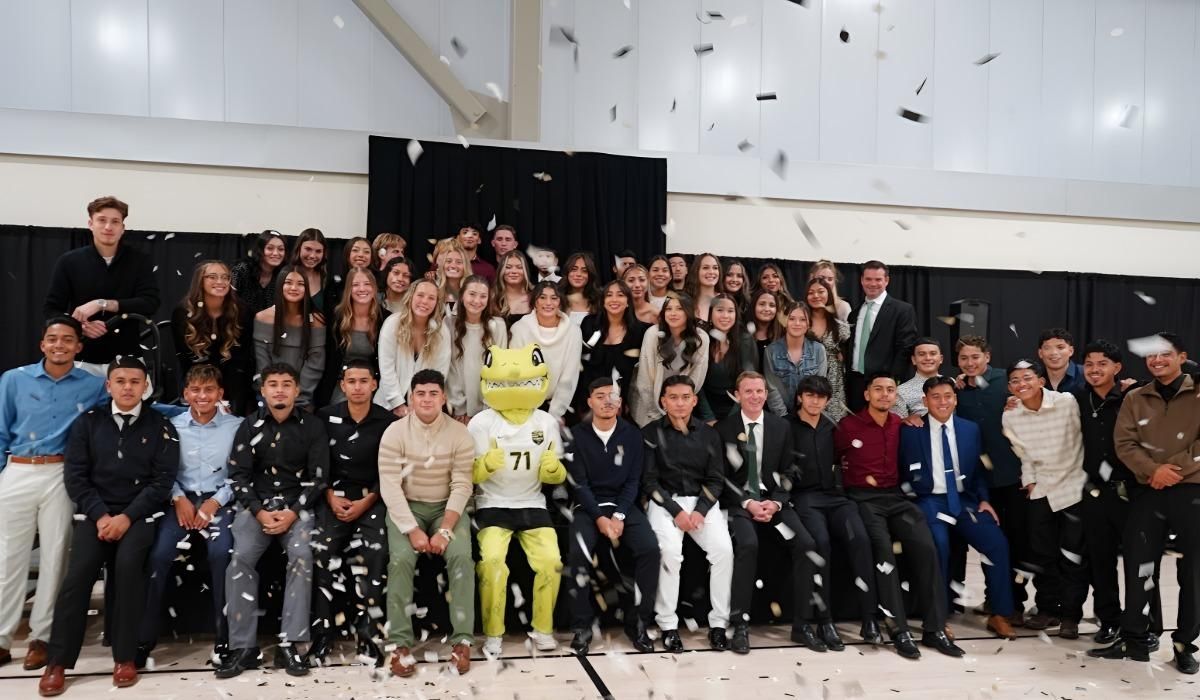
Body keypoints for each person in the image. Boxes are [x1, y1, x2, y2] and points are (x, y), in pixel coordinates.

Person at [38, 357, 179, 696]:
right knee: (79, 574)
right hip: (95, 515)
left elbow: (162, 482)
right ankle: (57, 661)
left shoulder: (161, 425)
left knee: (130, 568)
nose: (128, 387)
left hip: (138, 515)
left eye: (135, 381)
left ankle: (125, 657)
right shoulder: (87, 423)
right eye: (121, 381)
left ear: (145, 386)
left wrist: (126, 517)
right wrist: (101, 515)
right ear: (109, 385)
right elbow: (76, 476)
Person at [1089, 332, 1200, 673]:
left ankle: (1184, 644)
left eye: (1165, 354)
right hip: (1148, 490)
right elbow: (1124, 443)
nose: (1157, 360)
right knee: (1140, 567)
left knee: (1192, 572)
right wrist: (1153, 471)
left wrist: (1174, 470)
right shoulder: (1136, 397)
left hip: (1191, 491)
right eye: (1151, 356)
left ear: (1181, 357)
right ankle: (1134, 640)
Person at [0, 317, 106, 672]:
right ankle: (1, 637)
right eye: (52, 339)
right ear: (42, 344)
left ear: (79, 346)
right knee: (7, 558)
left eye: (67, 340)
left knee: (55, 557)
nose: (59, 345)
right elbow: (0, 429)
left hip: (61, 474)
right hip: (16, 469)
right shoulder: (14, 380)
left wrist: (189, 412)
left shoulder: (93, 385)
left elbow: (130, 404)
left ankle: (41, 638)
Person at [836, 372, 962, 660]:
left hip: (896, 496)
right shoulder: (848, 426)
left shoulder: (902, 425)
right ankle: (899, 629)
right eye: (877, 389)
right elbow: (834, 462)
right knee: (884, 553)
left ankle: (934, 628)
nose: (884, 394)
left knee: (926, 547)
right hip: (863, 499)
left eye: (890, 390)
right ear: (867, 394)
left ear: (896, 396)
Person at [217, 362, 327, 679]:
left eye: (286, 384)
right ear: (263, 390)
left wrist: (292, 512)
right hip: (256, 508)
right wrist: (260, 511)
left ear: (296, 390)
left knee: (302, 556)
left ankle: (291, 644)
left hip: (299, 507)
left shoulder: (312, 426)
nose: (280, 389)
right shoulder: (249, 426)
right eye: (273, 384)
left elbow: (319, 478)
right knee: (239, 559)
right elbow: (238, 477)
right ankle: (243, 648)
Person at [138, 364, 242, 666]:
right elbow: (159, 468)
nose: (202, 395)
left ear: (220, 393)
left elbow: (241, 472)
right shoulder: (171, 426)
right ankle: (144, 637)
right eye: (195, 390)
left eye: (209, 389)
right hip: (180, 502)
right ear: (185, 394)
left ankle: (225, 640)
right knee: (158, 556)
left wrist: (216, 502)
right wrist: (178, 497)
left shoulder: (235, 427)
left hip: (218, 503)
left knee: (222, 554)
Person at [899, 376, 1017, 640]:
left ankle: (999, 613)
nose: (943, 402)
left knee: (996, 543)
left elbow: (977, 470)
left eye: (948, 396)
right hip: (929, 500)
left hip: (965, 501)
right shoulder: (910, 431)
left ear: (955, 398)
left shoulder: (969, 429)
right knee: (938, 546)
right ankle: (938, 617)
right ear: (925, 400)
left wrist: (984, 499)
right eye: (936, 397)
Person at [469, 346, 568, 655]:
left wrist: (554, 472)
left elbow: (557, 472)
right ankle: (493, 634)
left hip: (533, 504)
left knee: (552, 563)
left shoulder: (546, 422)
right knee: (493, 564)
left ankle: (543, 630)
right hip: (492, 505)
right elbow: (467, 475)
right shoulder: (481, 423)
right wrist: (484, 465)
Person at [378, 369, 475, 676]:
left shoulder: (460, 433)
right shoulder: (394, 432)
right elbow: (390, 486)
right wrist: (412, 529)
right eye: (420, 393)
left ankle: (462, 642)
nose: (427, 399)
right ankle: (399, 645)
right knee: (401, 560)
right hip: (407, 508)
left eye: (434, 393)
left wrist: (445, 529)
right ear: (411, 397)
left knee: (461, 557)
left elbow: (462, 485)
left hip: (447, 509)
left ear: (444, 397)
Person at [718, 372, 818, 654]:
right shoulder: (723, 429)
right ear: (737, 395)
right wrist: (748, 503)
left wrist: (775, 502)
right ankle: (739, 625)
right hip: (740, 505)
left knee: (807, 544)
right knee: (748, 544)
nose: (755, 396)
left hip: (773, 503)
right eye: (748, 391)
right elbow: (720, 477)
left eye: (759, 391)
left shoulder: (780, 427)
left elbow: (790, 470)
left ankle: (802, 625)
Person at [307, 360, 397, 666]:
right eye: (351, 381)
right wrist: (330, 497)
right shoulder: (325, 417)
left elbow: (389, 470)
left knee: (376, 553)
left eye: (363, 381)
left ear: (374, 384)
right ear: (342, 386)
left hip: (372, 499)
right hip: (333, 498)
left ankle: (369, 635)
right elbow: (318, 464)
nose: (357, 387)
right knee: (322, 553)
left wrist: (366, 501)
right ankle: (323, 635)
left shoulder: (387, 422)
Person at [1074, 340, 1160, 646]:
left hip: (1132, 492)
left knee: (1141, 562)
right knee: (1101, 561)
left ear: (1117, 368)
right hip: (1094, 491)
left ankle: (1148, 624)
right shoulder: (1078, 397)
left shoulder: (1133, 396)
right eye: (1089, 364)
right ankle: (1109, 620)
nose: (1095, 370)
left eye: (1102, 364)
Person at [565, 379, 658, 655]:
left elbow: (633, 481)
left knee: (650, 550)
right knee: (577, 555)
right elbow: (578, 484)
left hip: (624, 506)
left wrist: (618, 515)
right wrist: (599, 518)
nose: (607, 401)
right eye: (600, 396)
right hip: (588, 507)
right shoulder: (576, 435)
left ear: (621, 403)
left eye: (613, 396)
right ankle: (582, 627)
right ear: (589, 402)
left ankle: (639, 623)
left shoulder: (632, 435)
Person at [642, 375, 733, 652]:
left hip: (701, 502)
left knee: (723, 551)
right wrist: (676, 511)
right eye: (673, 397)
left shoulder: (709, 434)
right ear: (663, 402)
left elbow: (716, 479)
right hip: (665, 502)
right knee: (669, 553)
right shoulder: (650, 433)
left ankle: (719, 623)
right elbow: (649, 482)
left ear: (694, 401)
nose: (679, 403)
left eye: (685, 397)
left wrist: (701, 511)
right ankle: (668, 625)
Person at [789, 375, 880, 651]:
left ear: (828, 400)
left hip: (836, 498)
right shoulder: (786, 427)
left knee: (861, 540)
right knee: (821, 544)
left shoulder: (834, 427)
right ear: (800, 398)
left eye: (820, 397)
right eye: (810, 395)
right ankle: (824, 620)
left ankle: (869, 618)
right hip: (805, 498)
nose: (815, 401)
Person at [1000, 359, 1088, 638]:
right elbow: (1023, 455)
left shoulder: (1066, 402)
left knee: (1073, 556)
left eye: (1027, 378)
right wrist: (1030, 481)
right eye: (1015, 380)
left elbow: (1083, 438)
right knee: (1041, 554)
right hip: (1041, 489)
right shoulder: (1011, 415)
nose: (1021, 384)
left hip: (1074, 486)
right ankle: (1047, 607)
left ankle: (1071, 615)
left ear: (1041, 381)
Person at [952, 336, 1029, 625]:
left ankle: (1016, 604)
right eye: (963, 359)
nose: (969, 363)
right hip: (980, 482)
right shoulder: (959, 389)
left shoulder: (1006, 382)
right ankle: (995, 598)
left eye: (975, 357)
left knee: (1019, 542)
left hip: (1014, 476)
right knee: (992, 543)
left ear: (987, 356)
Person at [43, 196, 160, 366]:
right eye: (102, 220)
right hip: (82, 359)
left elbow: (150, 303)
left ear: (122, 228)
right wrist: (79, 327)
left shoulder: (139, 260)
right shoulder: (69, 261)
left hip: (128, 358)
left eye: (115, 222)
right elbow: (51, 309)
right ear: (91, 224)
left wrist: (102, 304)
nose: (108, 227)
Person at [171, 260, 251, 414]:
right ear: (200, 281)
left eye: (225, 277)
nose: (220, 282)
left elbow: (241, 359)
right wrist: (206, 392)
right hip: (195, 379)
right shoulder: (182, 313)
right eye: (212, 277)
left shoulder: (242, 311)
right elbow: (185, 359)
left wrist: (223, 395)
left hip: (232, 382)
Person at [846, 261, 918, 413]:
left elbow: (905, 349)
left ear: (887, 280)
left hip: (884, 386)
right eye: (868, 279)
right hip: (855, 384)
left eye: (878, 279)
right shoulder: (855, 313)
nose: (873, 283)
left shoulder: (902, 310)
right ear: (861, 280)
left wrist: (891, 382)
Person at [572, 280, 648, 420]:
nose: (614, 299)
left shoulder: (641, 331)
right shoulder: (589, 324)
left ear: (628, 302)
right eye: (609, 295)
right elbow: (579, 364)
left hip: (625, 406)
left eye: (620, 295)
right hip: (589, 403)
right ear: (603, 301)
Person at [253, 266, 327, 409]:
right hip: (268, 398)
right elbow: (262, 362)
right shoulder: (263, 317)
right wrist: (274, 393)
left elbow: (315, 364)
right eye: (288, 283)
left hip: (303, 399)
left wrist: (298, 395)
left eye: (301, 284)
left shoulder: (316, 321)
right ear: (280, 285)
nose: (294, 288)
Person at [508, 282, 583, 421]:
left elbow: (569, 378)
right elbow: (515, 373)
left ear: (560, 302)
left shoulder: (573, 332)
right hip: (524, 407)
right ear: (534, 302)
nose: (548, 303)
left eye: (554, 298)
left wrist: (555, 414)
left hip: (560, 408)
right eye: (542, 297)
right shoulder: (519, 329)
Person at [376, 279, 452, 417]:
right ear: (411, 296)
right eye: (420, 295)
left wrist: (419, 405)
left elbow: (440, 373)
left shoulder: (441, 332)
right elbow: (386, 368)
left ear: (436, 303)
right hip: (388, 405)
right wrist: (397, 404)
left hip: (424, 407)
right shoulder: (392, 323)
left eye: (431, 298)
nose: (425, 301)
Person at [631, 295, 710, 427]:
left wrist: (680, 403)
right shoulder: (653, 334)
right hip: (647, 404)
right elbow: (644, 379)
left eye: (679, 309)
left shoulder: (701, 338)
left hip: (679, 405)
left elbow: (696, 378)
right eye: (668, 309)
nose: (673, 313)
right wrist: (656, 412)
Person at [316, 267, 384, 406]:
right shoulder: (335, 318)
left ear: (374, 288)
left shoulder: (385, 318)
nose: (362, 289)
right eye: (355, 284)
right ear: (348, 289)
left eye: (367, 284)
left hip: (372, 387)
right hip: (339, 383)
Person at [448, 276, 509, 420]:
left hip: (489, 409)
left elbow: (500, 369)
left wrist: (489, 407)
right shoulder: (449, 323)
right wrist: (459, 407)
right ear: (462, 296)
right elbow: (451, 368)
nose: (477, 301)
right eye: (472, 294)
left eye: (483, 296)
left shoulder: (498, 326)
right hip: (458, 408)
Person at [697, 294, 756, 422]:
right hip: (704, 409)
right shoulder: (702, 338)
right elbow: (696, 382)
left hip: (737, 408)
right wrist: (708, 417)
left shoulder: (745, 340)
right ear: (710, 314)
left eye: (730, 311)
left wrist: (730, 421)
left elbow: (748, 383)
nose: (725, 316)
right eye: (720, 310)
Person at [764, 301, 827, 417]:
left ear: (809, 324)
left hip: (809, 415)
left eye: (803, 319)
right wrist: (784, 418)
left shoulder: (819, 350)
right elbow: (772, 390)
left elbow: (819, 387)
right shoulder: (771, 351)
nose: (797, 323)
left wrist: (805, 416)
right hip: (781, 417)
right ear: (785, 322)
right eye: (792, 319)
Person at [804, 278, 851, 421]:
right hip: (807, 375)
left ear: (829, 294)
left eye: (820, 291)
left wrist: (843, 355)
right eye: (811, 293)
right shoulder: (801, 321)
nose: (816, 296)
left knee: (834, 424)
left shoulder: (839, 325)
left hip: (834, 381)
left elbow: (850, 350)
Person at [231, 230, 288, 316]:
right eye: (270, 248)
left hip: (268, 325)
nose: (276, 253)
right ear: (260, 250)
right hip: (239, 323)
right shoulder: (242, 269)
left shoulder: (284, 274)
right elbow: (228, 300)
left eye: (280, 249)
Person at [892, 338, 944, 421]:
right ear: (914, 360)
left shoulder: (953, 383)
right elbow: (896, 424)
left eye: (933, 353)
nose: (927, 358)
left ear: (941, 359)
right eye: (921, 354)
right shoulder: (901, 391)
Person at [291, 228, 331, 315]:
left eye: (318, 251)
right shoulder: (286, 275)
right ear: (299, 248)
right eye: (308, 249)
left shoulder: (326, 279)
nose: (313, 255)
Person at [1037, 328, 1086, 394]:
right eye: (1047, 348)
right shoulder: (1035, 379)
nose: (1054, 353)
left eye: (1060, 347)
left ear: (1071, 351)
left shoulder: (1086, 374)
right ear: (1040, 353)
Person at [492, 250, 533, 326]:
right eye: (508, 267)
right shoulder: (491, 297)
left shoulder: (535, 296)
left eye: (519, 267)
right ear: (501, 270)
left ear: (525, 271)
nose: (514, 271)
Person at [560, 252, 601, 325]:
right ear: (567, 273)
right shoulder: (557, 298)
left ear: (590, 275)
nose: (578, 274)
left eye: (584, 271)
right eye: (574, 269)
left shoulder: (598, 300)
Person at [683, 252, 722, 327]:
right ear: (696, 271)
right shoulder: (685, 302)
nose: (711, 272)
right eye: (705, 268)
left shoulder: (726, 300)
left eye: (715, 268)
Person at [748, 288, 782, 369]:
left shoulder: (784, 335)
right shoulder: (743, 334)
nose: (767, 309)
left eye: (772, 305)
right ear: (754, 306)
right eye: (762, 304)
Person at [433, 239, 469, 314]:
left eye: (459, 262)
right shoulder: (432, 288)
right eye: (448, 261)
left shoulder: (472, 289)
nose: (453, 266)